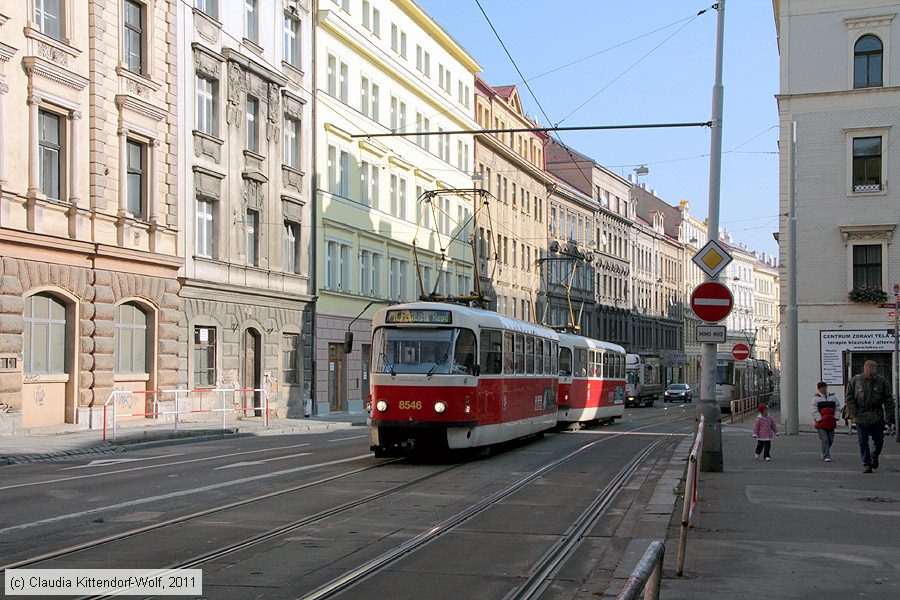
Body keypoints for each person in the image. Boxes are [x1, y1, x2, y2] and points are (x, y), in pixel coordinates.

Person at [845, 360, 896, 473]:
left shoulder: (882, 382)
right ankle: (866, 463)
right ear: (864, 370)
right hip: (860, 415)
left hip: (876, 416)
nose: (870, 377)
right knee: (862, 440)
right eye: (868, 375)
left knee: (879, 439)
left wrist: (889, 416)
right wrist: (854, 413)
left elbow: (888, 400)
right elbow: (849, 398)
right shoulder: (855, 380)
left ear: (875, 371)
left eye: (872, 375)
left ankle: (874, 456)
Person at [811, 382, 840, 462]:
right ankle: (826, 455)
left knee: (830, 439)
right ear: (819, 389)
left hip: (831, 422)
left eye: (824, 387)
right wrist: (819, 419)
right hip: (821, 424)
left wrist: (836, 417)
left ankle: (824, 451)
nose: (823, 389)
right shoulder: (816, 399)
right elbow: (814, 411)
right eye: (821, 388)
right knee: (825, 439)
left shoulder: (833, 398)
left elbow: (837, 407)